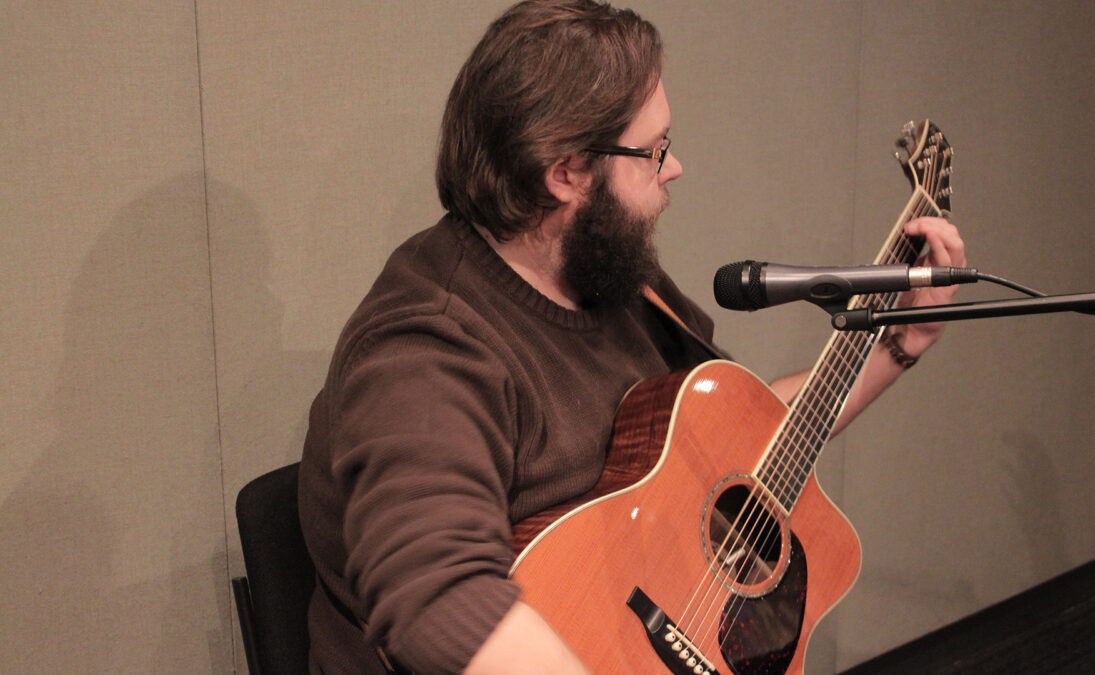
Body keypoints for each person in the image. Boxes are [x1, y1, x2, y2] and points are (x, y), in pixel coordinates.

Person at [297, 1, 966, 673]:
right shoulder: (427, 347)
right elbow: (436, 595)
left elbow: (736, 451)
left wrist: (894, 344)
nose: (674, 168)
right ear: (566, 173)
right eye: (655, 151)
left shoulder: (612, 276)